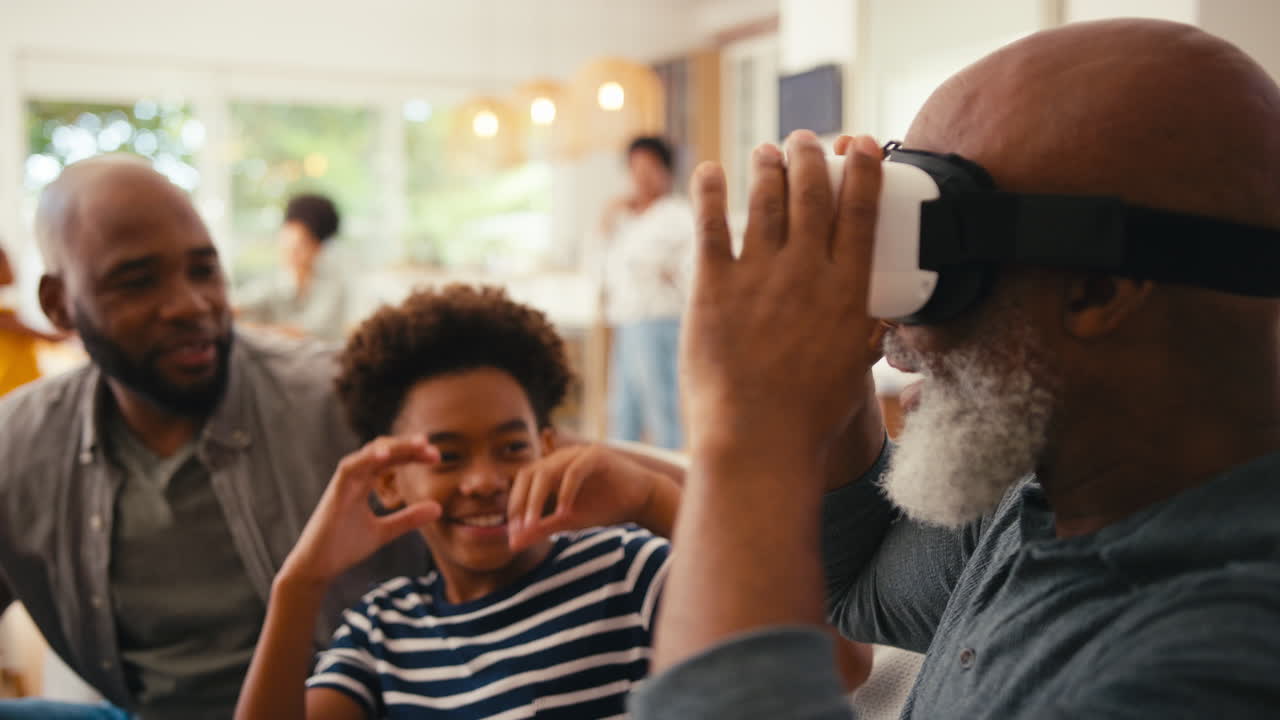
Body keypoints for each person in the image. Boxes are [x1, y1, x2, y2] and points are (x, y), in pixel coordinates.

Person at [632, 19, 1280, 720]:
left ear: (1096, 288)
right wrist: (832, 360)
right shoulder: (1051, 493)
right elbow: (853, 588)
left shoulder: (1222, 654)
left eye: (935, 266)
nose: (896, 339)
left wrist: (748, 436)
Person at [0, 156, 426, 719]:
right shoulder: (19, 446)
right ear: (59, 305)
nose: (191, 305)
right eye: (137, 281)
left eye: (203, 271)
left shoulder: (340, 398)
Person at [234, 285, 683, 719]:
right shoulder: (382, 633)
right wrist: (299, 585)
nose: (484, 482)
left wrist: (653, 499)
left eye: (511, 448)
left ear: (547, 449)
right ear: (389, 482)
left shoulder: (626, 570)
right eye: (447, 457)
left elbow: (750, 627)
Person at [600, 137, 693, 449]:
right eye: (635, 168)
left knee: (661, 408)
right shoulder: (629, 220)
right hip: (627, 322)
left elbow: (682, 270)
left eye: (649, 168)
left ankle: (672, 480)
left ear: (666, 171)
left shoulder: (676, 215)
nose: (640, 176)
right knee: (623, 411)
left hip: (658, 321)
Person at [237, 193, 350, 341]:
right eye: (286, 240)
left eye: (300, 245)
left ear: (319, 247)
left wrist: (253, 331)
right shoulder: (271, 282)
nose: (290, 250)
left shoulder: (333, 285)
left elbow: (306, 334)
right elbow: (237, 307)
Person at [0, 243, 66, 397]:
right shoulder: (3, 315)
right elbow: (50, 338)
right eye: (4, 261)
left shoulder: (6, 309)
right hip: (13, 390)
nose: (11, 266)